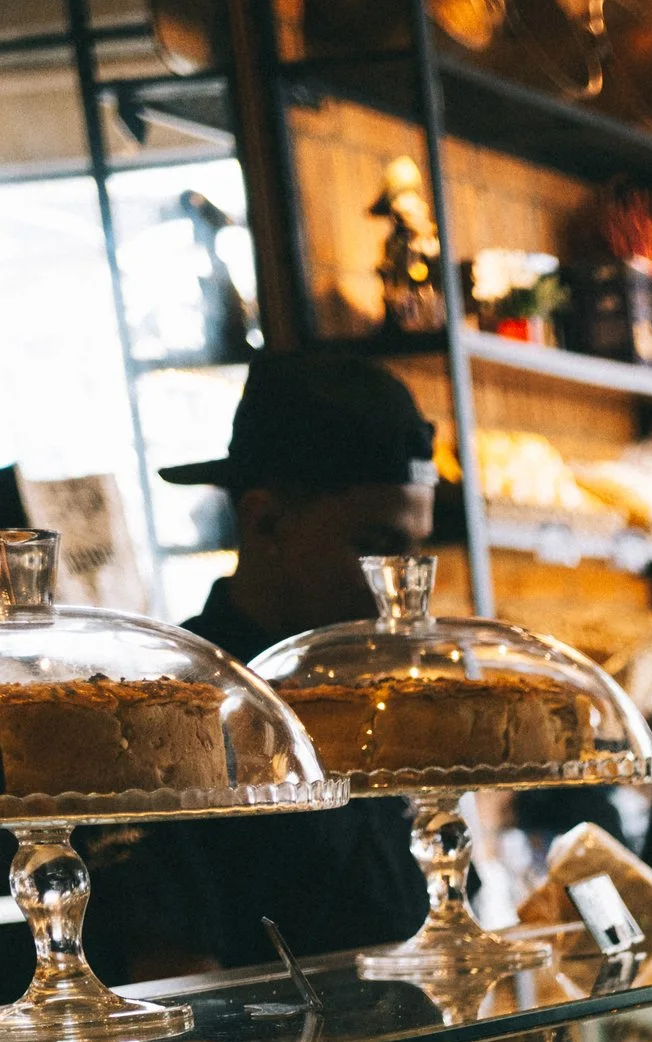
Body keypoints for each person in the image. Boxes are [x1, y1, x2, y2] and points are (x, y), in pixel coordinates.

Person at [77, 350, 434, 984]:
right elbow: (172, 980)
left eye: (412, 553)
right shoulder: (164, 709)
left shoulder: (370, 694)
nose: (401, 588)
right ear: (265, 522)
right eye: (375, 547)